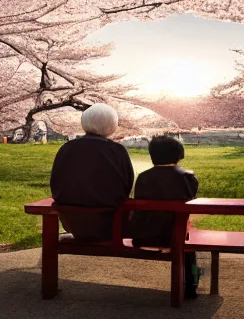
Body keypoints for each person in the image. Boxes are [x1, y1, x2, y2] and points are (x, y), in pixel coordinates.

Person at [128, 135, 200, 298]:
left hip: (143, 237)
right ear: (180, 154)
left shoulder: (143, 178)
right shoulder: (188, 178)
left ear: (152, 155)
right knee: (187, 244)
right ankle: (191, 284)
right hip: (174, 236)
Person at [50, 103, 134, 241]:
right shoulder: (117, 151)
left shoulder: (66, 148)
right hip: (110, 222)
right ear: (112, 125)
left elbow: (56, 183)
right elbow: (127, 185)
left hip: (71, 221)